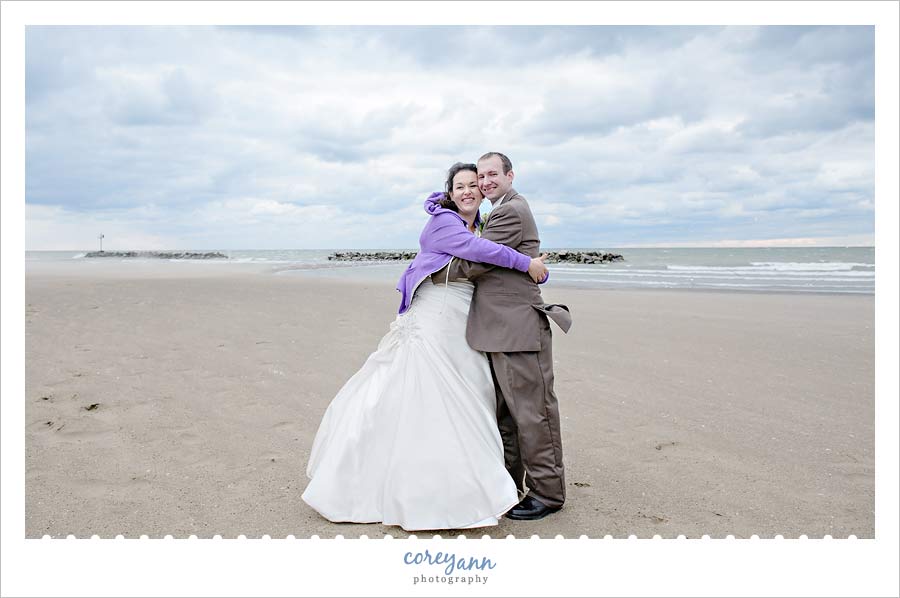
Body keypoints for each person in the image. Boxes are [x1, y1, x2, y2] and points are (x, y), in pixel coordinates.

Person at [301, 162, 550, 531]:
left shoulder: (479, 222)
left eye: (473, 185)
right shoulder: (444, 222)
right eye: (460, 185)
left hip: (460, 318)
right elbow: (474, 250)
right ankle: (425, 489)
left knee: (466, 389)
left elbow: (483, 257)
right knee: (429, 391)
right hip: (436, 314)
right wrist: (527, 262)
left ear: (483, 192)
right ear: (450, 192)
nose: (468, 190)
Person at [433, 152, 572, 521]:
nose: (485, 181)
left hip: (518, 328)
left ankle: (548, 493)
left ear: (510, 175)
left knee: (533, 413)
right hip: (500, 330)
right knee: (507, 416)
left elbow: (475, 262)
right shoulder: (496, 212)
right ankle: (509, 484)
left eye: (493, 174)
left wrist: (431, 268)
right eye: (481, 175)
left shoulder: (511, 211)